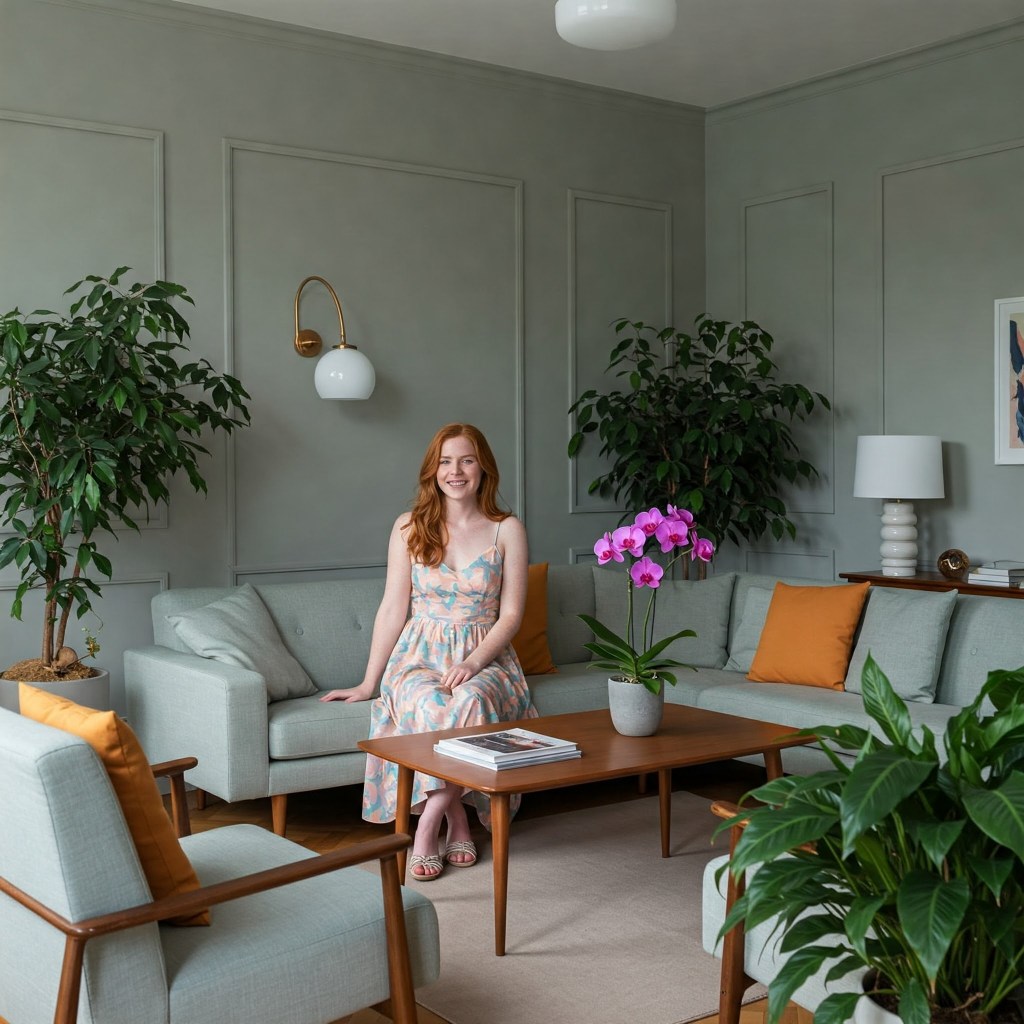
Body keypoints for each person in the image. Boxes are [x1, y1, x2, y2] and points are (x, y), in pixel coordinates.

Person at [320, 423, 537, 880]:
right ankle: (457, 817)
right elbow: (392, 609)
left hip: (486, 655)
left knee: (471, 698)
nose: (455, 471)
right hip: (417, 655)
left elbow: (512, 615)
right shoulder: (408, 526)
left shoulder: (507, 529)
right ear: (432, 470)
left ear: (484, 468)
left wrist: (475, 662)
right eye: (445, 461)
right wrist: (368, 682)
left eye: (466, 460)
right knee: (429, 701)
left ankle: (429, 824)